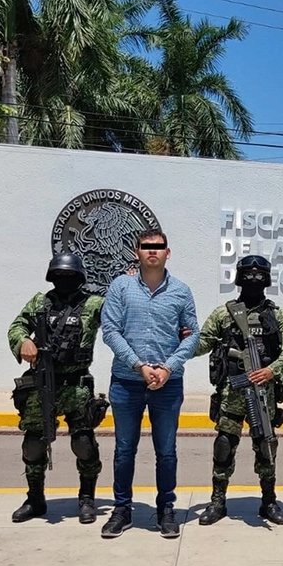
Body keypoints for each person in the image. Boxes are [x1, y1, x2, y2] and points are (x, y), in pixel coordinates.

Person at [100, 230, 199, 539]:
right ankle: (121, 510)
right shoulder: (121, 286)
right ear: (137, 251)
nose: (152, 252)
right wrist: (139, 365)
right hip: (127, 382)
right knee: (124, 450)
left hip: (168, 384)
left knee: (166, 451)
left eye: (158, 247)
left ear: (168, 252)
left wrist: (169, 368)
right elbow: (110, 330)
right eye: (146, 247)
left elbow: (192, 333)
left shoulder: (181, 291)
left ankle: (165, 510)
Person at [194, 255, 283, 526]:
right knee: (224, 446)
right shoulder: (224, 313)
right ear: (240, 278)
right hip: (231, 392)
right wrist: (179, 343)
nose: (254, 280)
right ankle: (218, 501)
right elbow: (203, 342)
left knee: (266, 447)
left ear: (267, 279)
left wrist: (271, 371)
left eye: (259, 275)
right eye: (249, 275)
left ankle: (269, 500)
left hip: (263, 393)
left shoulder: (277, 315)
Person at [7, 252, 105, 524]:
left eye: (69, 275)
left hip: (76, 387)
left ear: (80, 277)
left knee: (83, 444)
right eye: (59, 275)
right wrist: (23, 342)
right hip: (41, 384)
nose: (64, 280)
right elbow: (17, 326)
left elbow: (119, 321)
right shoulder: (40, 302)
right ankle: (35, 498)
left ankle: (87, 498)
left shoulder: (94, 304)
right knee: (33, 445)